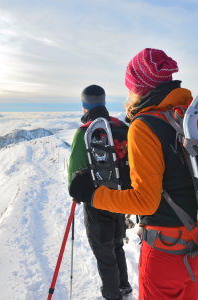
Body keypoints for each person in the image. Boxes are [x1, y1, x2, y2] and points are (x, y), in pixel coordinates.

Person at [69, 49, 198, 300]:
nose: (128, 94)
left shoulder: (145, 125)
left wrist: (92, 195)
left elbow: (145, 202)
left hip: (168, 250)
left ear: (139, 87)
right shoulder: (188, 116)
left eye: (129, 87)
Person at [68, 84, 132, 300]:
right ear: (103, 102)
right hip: (122, 199)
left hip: (97, 201)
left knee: (104, 252)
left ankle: (111, 295)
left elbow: (75, 174)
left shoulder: (84, 132)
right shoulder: (121, 126)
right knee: (117, 245)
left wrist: (77, 194)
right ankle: (124, 287)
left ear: (84, 106)